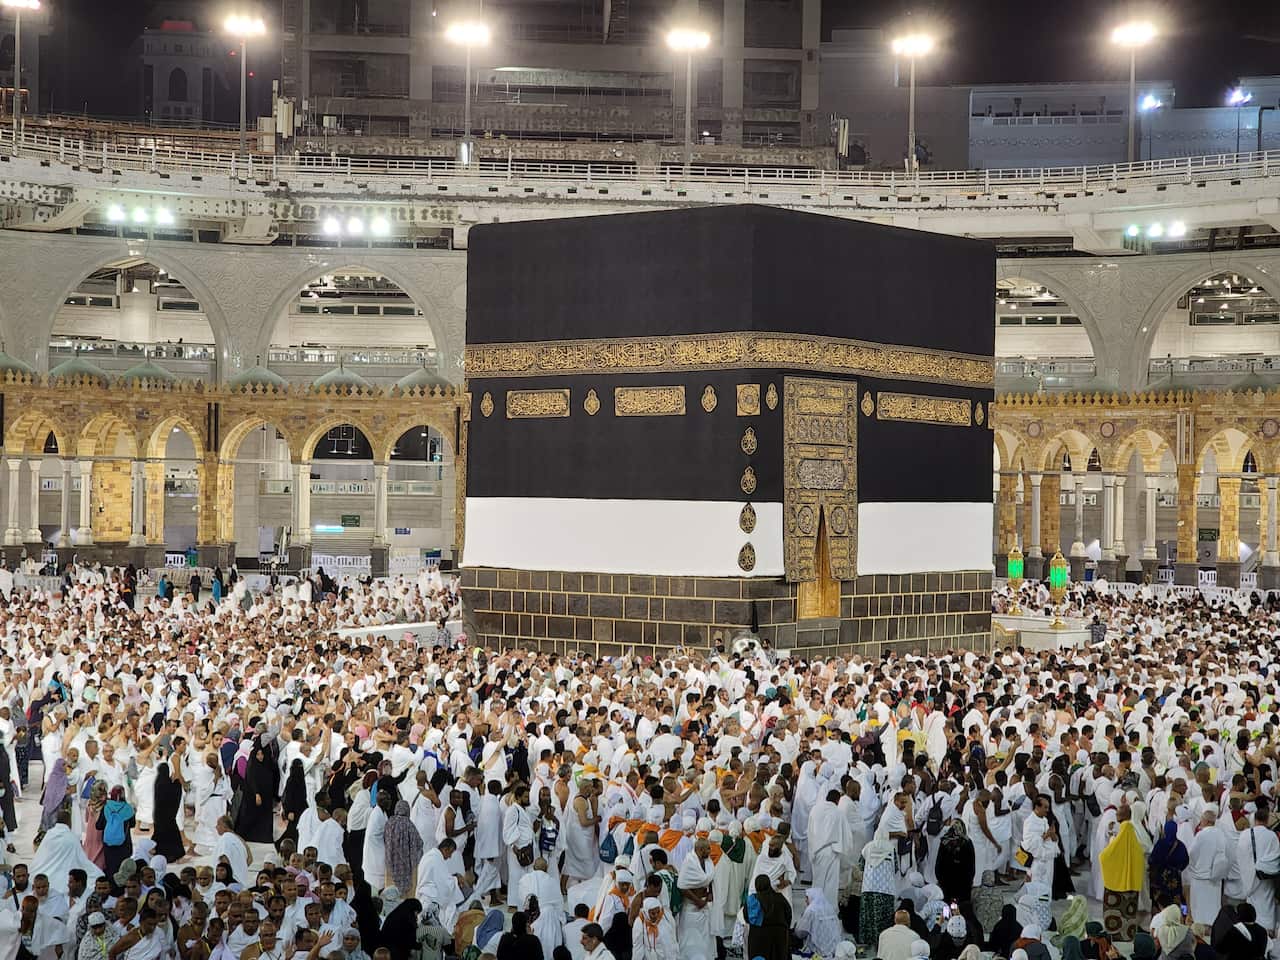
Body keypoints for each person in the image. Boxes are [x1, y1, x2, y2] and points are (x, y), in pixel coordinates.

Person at [1099, 813, 1145, 941]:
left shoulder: (1115, 845)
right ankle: (1128, 935)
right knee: (1128, 913)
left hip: (1114, 887)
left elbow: (1103, 857)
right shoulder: (1137, 849)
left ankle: (1113, 935)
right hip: (1131, 888)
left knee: (1114, 913)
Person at [745, 874, 791, 960]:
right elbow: (788, 915)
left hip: (758, 937)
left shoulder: (753, 900)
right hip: (778, 936)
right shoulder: (780, 898)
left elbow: (747, 918)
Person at [1148, 821, 1189, 909]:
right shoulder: (1181, 845)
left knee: (1161, 901)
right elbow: (1186, 861)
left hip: (1160, 878)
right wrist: (1177, 869)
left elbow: (1152, 859)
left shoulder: (1160, 844)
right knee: (1174, 904)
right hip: (1175, 880)